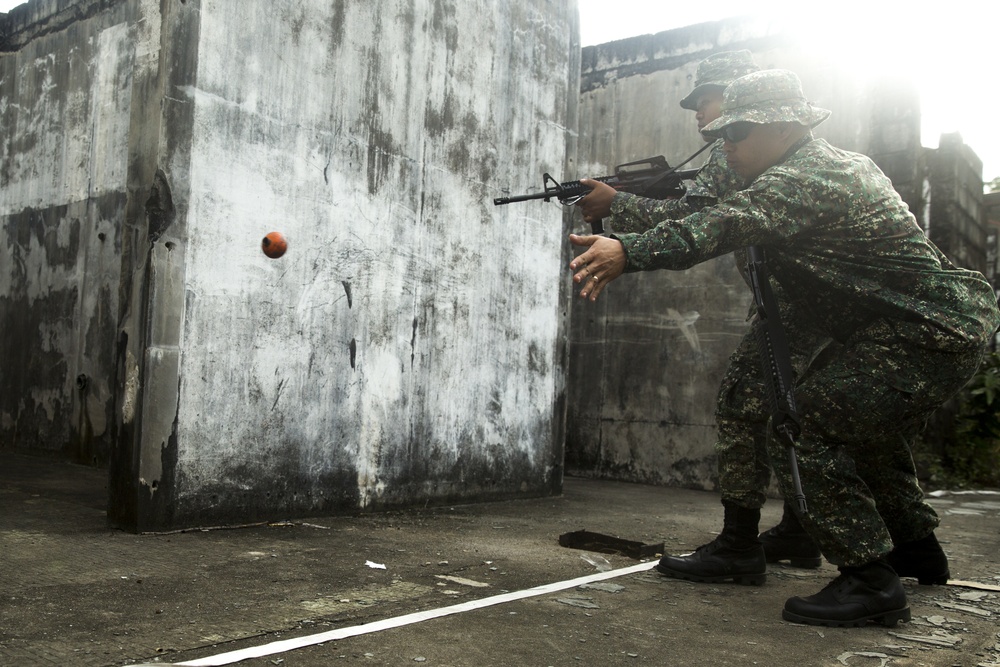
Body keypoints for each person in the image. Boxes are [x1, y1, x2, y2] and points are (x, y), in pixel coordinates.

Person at [568, 69, 1000, 626]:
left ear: (784, 127)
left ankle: (870, 580)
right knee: (863, 427)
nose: (725, 145)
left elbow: (727, 221)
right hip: (901, 325)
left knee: (811, 422)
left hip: (927, 330)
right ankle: (914, 546)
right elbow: (707, 208)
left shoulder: (808, 177)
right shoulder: (797, 165)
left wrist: (627, 249)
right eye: (721, 132)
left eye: (738, 131)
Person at [578, 50, 825, 577]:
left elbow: (701, 219)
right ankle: (810, 531)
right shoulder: (769, 155)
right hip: (797, 304)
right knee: (787, 409)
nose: (700, 114)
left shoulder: (745, 156)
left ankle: (741, 545)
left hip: (798, 308)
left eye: (707, 100)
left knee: (752, 404)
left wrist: (618, 211)